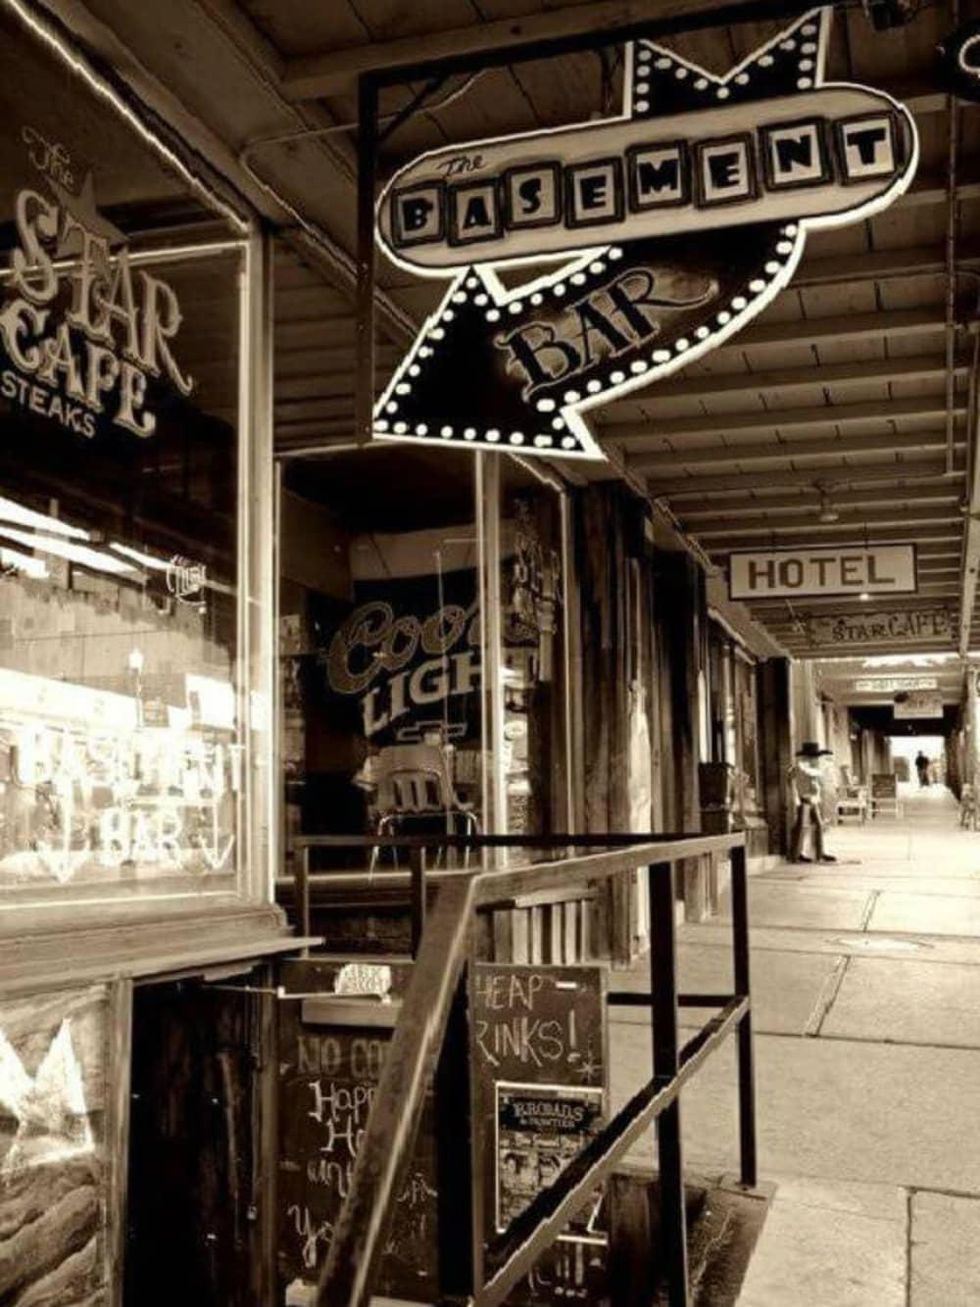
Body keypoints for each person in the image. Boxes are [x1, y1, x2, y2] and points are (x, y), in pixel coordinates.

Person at [788, 741, 837, 864]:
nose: (815, 759)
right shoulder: (800, 767)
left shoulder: (810, 767)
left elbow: (815, 783)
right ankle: (797, 854)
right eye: (813, 756)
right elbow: (795, 784)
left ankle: (818, 853)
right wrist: (797, 799)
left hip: (812, 799)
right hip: (804, 799)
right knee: (801, 826)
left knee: (817, 825)